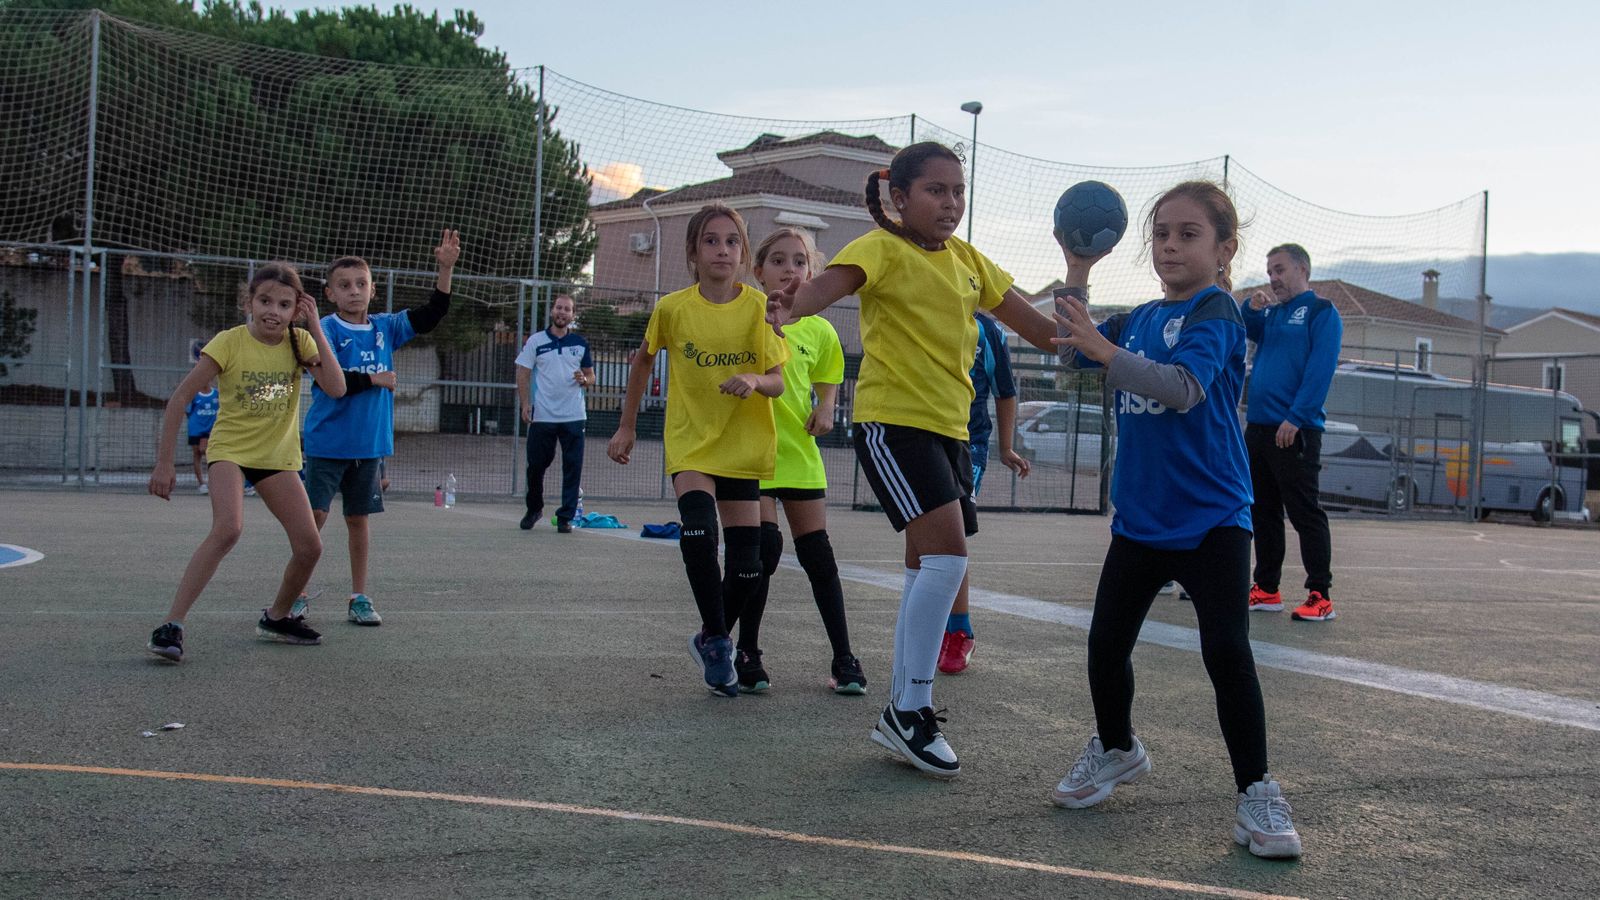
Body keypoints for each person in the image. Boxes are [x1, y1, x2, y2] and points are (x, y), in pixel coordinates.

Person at [766, 142, 1064, 778]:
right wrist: (793, 303)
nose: (950, 203)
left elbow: (1043, 332)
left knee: (926, 567)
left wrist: (1081, 281)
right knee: (950, 558)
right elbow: (823, 289)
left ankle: (903, 710)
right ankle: (909, 709)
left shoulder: (967, 261)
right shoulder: (881, 248)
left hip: (951, 432)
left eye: (958, 191)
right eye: (936, 190)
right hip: (894, 425)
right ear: (900, 198)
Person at [1049, 181, 1302, 858]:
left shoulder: (1215, 310)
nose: (1170, 246)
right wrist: (1077, 269)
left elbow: (1184, 389)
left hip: (1214, 515)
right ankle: (1117, 748)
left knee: (1226, 652)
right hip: (1140, 518)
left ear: (1224, 248)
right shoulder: (1135, 318)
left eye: (1188, 234)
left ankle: (1257, 796)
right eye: (1161, 233)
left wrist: (1104, 354)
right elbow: (1070, 351)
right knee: (1106, 645)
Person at [607, 203, 788, 698]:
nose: (722, 250)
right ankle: (717, 642)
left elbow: (778, 382)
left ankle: (712, 636)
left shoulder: (758, 308)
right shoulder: (673, 309)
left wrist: (754, 378)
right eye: (711, 240)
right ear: (693, 251)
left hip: (743, 446)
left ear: (743, 251)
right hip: (690, 443)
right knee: (698, 532)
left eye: (732, 241)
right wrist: (627, 426)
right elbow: (641, 362)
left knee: (751, 565)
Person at [146, 263, 347, 662]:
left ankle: (276, 617)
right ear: (249, 303)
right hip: (230, 453)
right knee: (228, 529)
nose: (274, 310)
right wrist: (165, 464)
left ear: (297, 309)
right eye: (265, 301)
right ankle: (172, 625)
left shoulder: (300, 342)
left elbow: (337, 388)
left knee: (310, 546)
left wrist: (317, 329)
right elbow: (179, 400)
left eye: (285, 304)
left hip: (277, 458)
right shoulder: (230, 342)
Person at [295, 230, 459, 627]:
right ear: (331, 293)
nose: (354, 291)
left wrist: (445, 269)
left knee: (358, 520)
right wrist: (374, 379)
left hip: (369, 446)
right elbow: (331, 383)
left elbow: (433, 312)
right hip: (326, 443)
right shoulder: (326, 330)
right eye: (345, 285)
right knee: (313, 519)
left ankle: (359, 597)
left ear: (372, 289)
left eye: (361, 284)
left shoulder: (386, 327)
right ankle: (296, 594)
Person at [730, 226, 865, 695]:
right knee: (764, 551)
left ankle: (844, 658)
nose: (791, 269)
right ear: (759, 270)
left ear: (813, 271)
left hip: (799, 455)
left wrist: (827, 406)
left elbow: (832, 372)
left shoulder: (820, 327)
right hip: (752, 456)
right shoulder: (744, 318)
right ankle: (747, 651)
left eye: (801, 262)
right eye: (780, 261)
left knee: (819, 557)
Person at [1240, 243, 1342, 622]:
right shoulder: (1273, 314)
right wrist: (1249, 307)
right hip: (1261, 429)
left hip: (1294, 430)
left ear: (1302, 269)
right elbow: (1245, 328)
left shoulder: (1321, 312)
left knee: (1304, 512)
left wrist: (1296, 417)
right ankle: (1266, 589)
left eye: (1280, 269)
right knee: (1262, 511)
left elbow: (1321, 369)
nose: (1273, 278)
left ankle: (1321, 595)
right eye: (1269, 271)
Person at [937, 310, 1029, 675]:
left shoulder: (986, 329)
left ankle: (959, 630)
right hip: (920, 436)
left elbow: (1006, 391)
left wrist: (1006, 448)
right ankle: (934, 625)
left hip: (968, 445)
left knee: (950, 533)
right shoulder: (921, 308)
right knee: (923, 535)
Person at [516, 293, 595, 533]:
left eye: (567, 309)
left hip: (573, 415)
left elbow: (590, 375)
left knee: (573, 467)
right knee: (536, 466)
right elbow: (523, 372)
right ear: (552, 311)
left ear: (572, 315)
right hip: (543, 416)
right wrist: (525, 403)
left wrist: (585, 379)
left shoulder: (580, 343)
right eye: (558, 308)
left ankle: (565, 517)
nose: (562, 312)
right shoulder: (536, 341)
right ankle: (534, 509)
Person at [186, 380, 219, 493]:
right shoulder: (194, 394)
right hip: (196, 429)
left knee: (210, 453)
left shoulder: (216, 394)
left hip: (211, 429)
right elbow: (188, 411)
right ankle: (201, 483)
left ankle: (213, 482)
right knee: (197, 454)